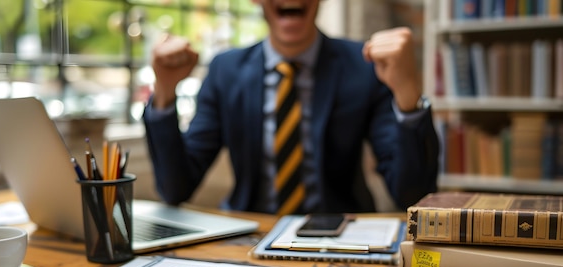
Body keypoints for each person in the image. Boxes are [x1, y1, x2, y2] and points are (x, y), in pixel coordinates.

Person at [142, 0, 439, 215]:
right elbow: (176, 189)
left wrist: (408, 93)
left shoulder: (362, 67)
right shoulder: (225, 70)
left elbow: (411, 195)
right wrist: (165, 92)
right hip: (249, 234)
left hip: (339, 235)